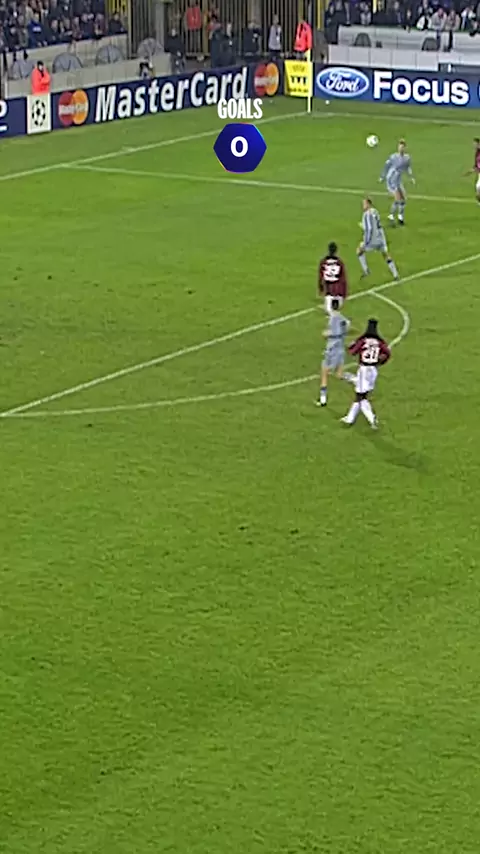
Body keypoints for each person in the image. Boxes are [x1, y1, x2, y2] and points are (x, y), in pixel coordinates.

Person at [341, 318, 391, 428]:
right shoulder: (379, 342)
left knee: (361, 397)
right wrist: (381, 361)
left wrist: (351, 345)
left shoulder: (363, 341)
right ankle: (350, 418)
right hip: (373, 370)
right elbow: (387, 353)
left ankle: (372, 419)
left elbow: (353, 352)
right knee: (362, 395)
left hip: (364, 369)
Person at [316, 297, 351, 407]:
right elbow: (347, 326)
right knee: (339, 374)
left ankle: (323, 399)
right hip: (340, 347)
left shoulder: (334, 318)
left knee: (324, 372)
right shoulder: (343, 318)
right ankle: (357, 381)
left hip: (333, 348)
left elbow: (335, 332)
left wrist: (327, 334)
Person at [357, 198, 399, 280]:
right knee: (385, 255)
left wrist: (366, 242)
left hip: (372, 240)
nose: (363, 206)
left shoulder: (366, 214)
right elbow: (378, 225)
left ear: (368, 204)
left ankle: (366, 270)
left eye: (364, 204)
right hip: (380, 238)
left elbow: (369, 229)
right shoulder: (375, 211)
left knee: (359, 250)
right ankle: (395, 274)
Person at [379, 138, 415, 226]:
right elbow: (386, 166)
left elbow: (408, 168)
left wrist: (411, 177)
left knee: (403, 199)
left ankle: (399, 216)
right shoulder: (393, 157)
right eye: (399, 147)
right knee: (398, 198)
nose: (401, 149)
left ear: (405, 148)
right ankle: (392, 216)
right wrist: (382, 176)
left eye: (402, 147)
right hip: (391, 179)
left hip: (398, 180)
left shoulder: (407, 158)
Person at [318, 241, 348, 314]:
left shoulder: (323, 262)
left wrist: (321, 289)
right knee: (336, 312)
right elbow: (343, 279)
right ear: (336, 250)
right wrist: (344, 294)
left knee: (329, 312)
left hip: (329, 293)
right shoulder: (339, 262)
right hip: (339, 294)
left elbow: (320, 278)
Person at [464, 138, 480, 204]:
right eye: (473, 144)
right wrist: (469, 172)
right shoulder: (477, 153)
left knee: (478, 188)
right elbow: (476, 165)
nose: (474, 145)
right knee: (478, 189)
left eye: (475, 144)